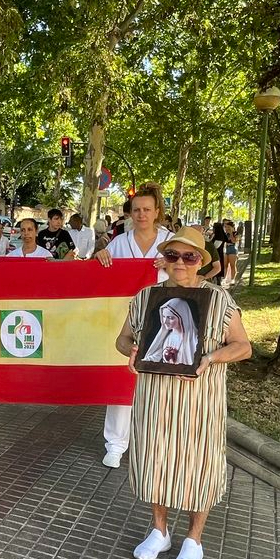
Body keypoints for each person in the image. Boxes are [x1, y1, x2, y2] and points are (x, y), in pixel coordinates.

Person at [115, 225, 251, 559]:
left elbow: (243, 346)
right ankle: (159, 531)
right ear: (163, 258)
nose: (180, 262)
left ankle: (194, 539)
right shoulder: (146, 298)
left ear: (200, 261)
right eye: (173, 255)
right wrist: (132, 350)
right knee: (154, 463)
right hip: (154, 400)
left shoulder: (218, 300)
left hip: (200, 403)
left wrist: (211, 358)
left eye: (189, 256)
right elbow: (122, 339)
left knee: (199, 467)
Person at [93, 182, 173, 470]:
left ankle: (155, 444)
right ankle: (115, 444)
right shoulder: (119, 243)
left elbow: (193, 271)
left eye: (147, 210)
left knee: (161, 383)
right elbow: (101, 277)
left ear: (157, 211)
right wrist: (100, 256)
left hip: (166, 322)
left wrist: (171, 263)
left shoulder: (171, 243)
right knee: (122, 380)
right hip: (125, 322)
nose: (141, 215)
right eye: (137, 210)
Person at [141, 298, 198, 365]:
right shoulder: (168, 337)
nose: (165, 321)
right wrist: (142, 362)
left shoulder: (194, 339)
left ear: (182, 318)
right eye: (164, 316)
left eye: (170, 318)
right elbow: (157, 355)